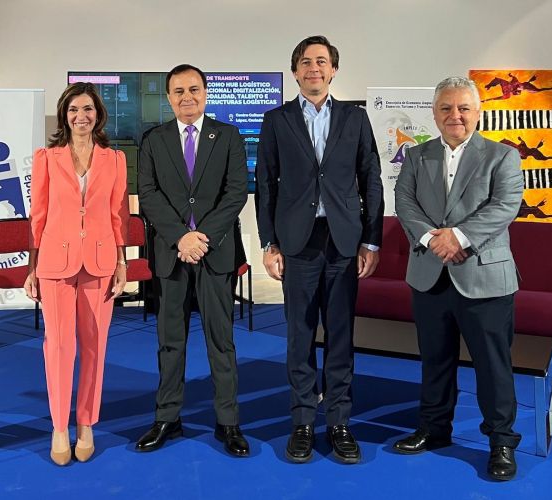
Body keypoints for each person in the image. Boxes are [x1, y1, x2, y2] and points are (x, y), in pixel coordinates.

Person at [255, 35, 384, 464]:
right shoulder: (276, 120)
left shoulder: (355, 118)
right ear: (295, 71)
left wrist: (370, 240)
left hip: (344, 241)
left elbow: (371, 179)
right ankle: (303, 422)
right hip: (297, 242)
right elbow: (265, 184)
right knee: (300, 335)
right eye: (306, 62)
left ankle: (340, 423)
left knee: (341, 335)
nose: (314, 68)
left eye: (322, 61)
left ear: (333, 70)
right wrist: (269, 242)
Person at [392, 76, 524, 481]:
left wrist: (458, 237)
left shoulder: (502, 156)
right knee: (435, 359)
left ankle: (501, 442)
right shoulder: (417, 156)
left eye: (464, 108)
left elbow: (505, 205)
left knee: (493, 365)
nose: (455, 115)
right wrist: (434, 239)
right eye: (446, 108)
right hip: (430, 275)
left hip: (484, 277)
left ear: (477, 113)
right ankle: (434, 429)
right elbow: (404, 201)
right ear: (434, 114)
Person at [135, 64, 250, 457]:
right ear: (169, 97)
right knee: (170, 342)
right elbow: (148, 193)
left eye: (194, 89)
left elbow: (236, 192)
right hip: (171, 254)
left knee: (222, 341)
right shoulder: (154, 140)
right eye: (179, 91)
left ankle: (228, 421)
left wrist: (201, 238)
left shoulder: (228, 136)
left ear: (206, 93)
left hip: (215, 252)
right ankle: (167, 417)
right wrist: (180, 237)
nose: (187, 97)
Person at [23, 82, 129, 466]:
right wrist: (33, 267)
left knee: (94, 345)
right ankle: (58, 425)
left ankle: (86, 422)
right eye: (73, 110)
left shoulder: (114, 159)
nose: (80, 116)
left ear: (98, 114)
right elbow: (38, 215)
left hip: (100, 261)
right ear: (64, 116)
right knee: (58, 345)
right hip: (55, 262)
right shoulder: (46, 158)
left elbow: (118, 215)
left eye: (87, 109)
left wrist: (122, 263)